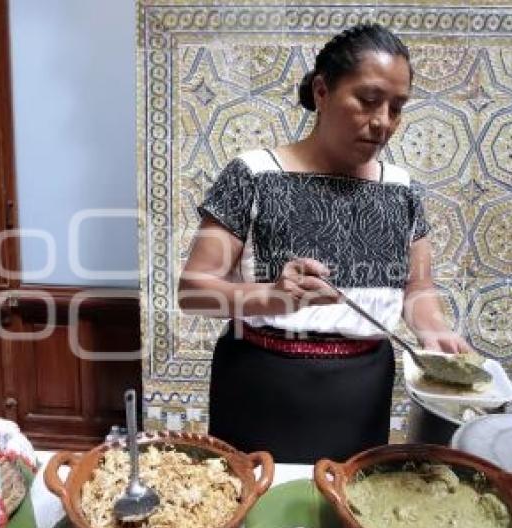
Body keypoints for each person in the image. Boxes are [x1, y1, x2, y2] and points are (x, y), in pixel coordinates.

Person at [178, 23, 471, 464]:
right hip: (260, 385)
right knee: (253, 511)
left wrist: (435, 332)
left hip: (362, 392)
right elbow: (193, 292)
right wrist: (270, 297)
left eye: (397, 107)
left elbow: (418, 289)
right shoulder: (253, 175)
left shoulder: (402, 189)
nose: (383, 122)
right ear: (322, 90)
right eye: (369, 101)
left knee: (344, 510)